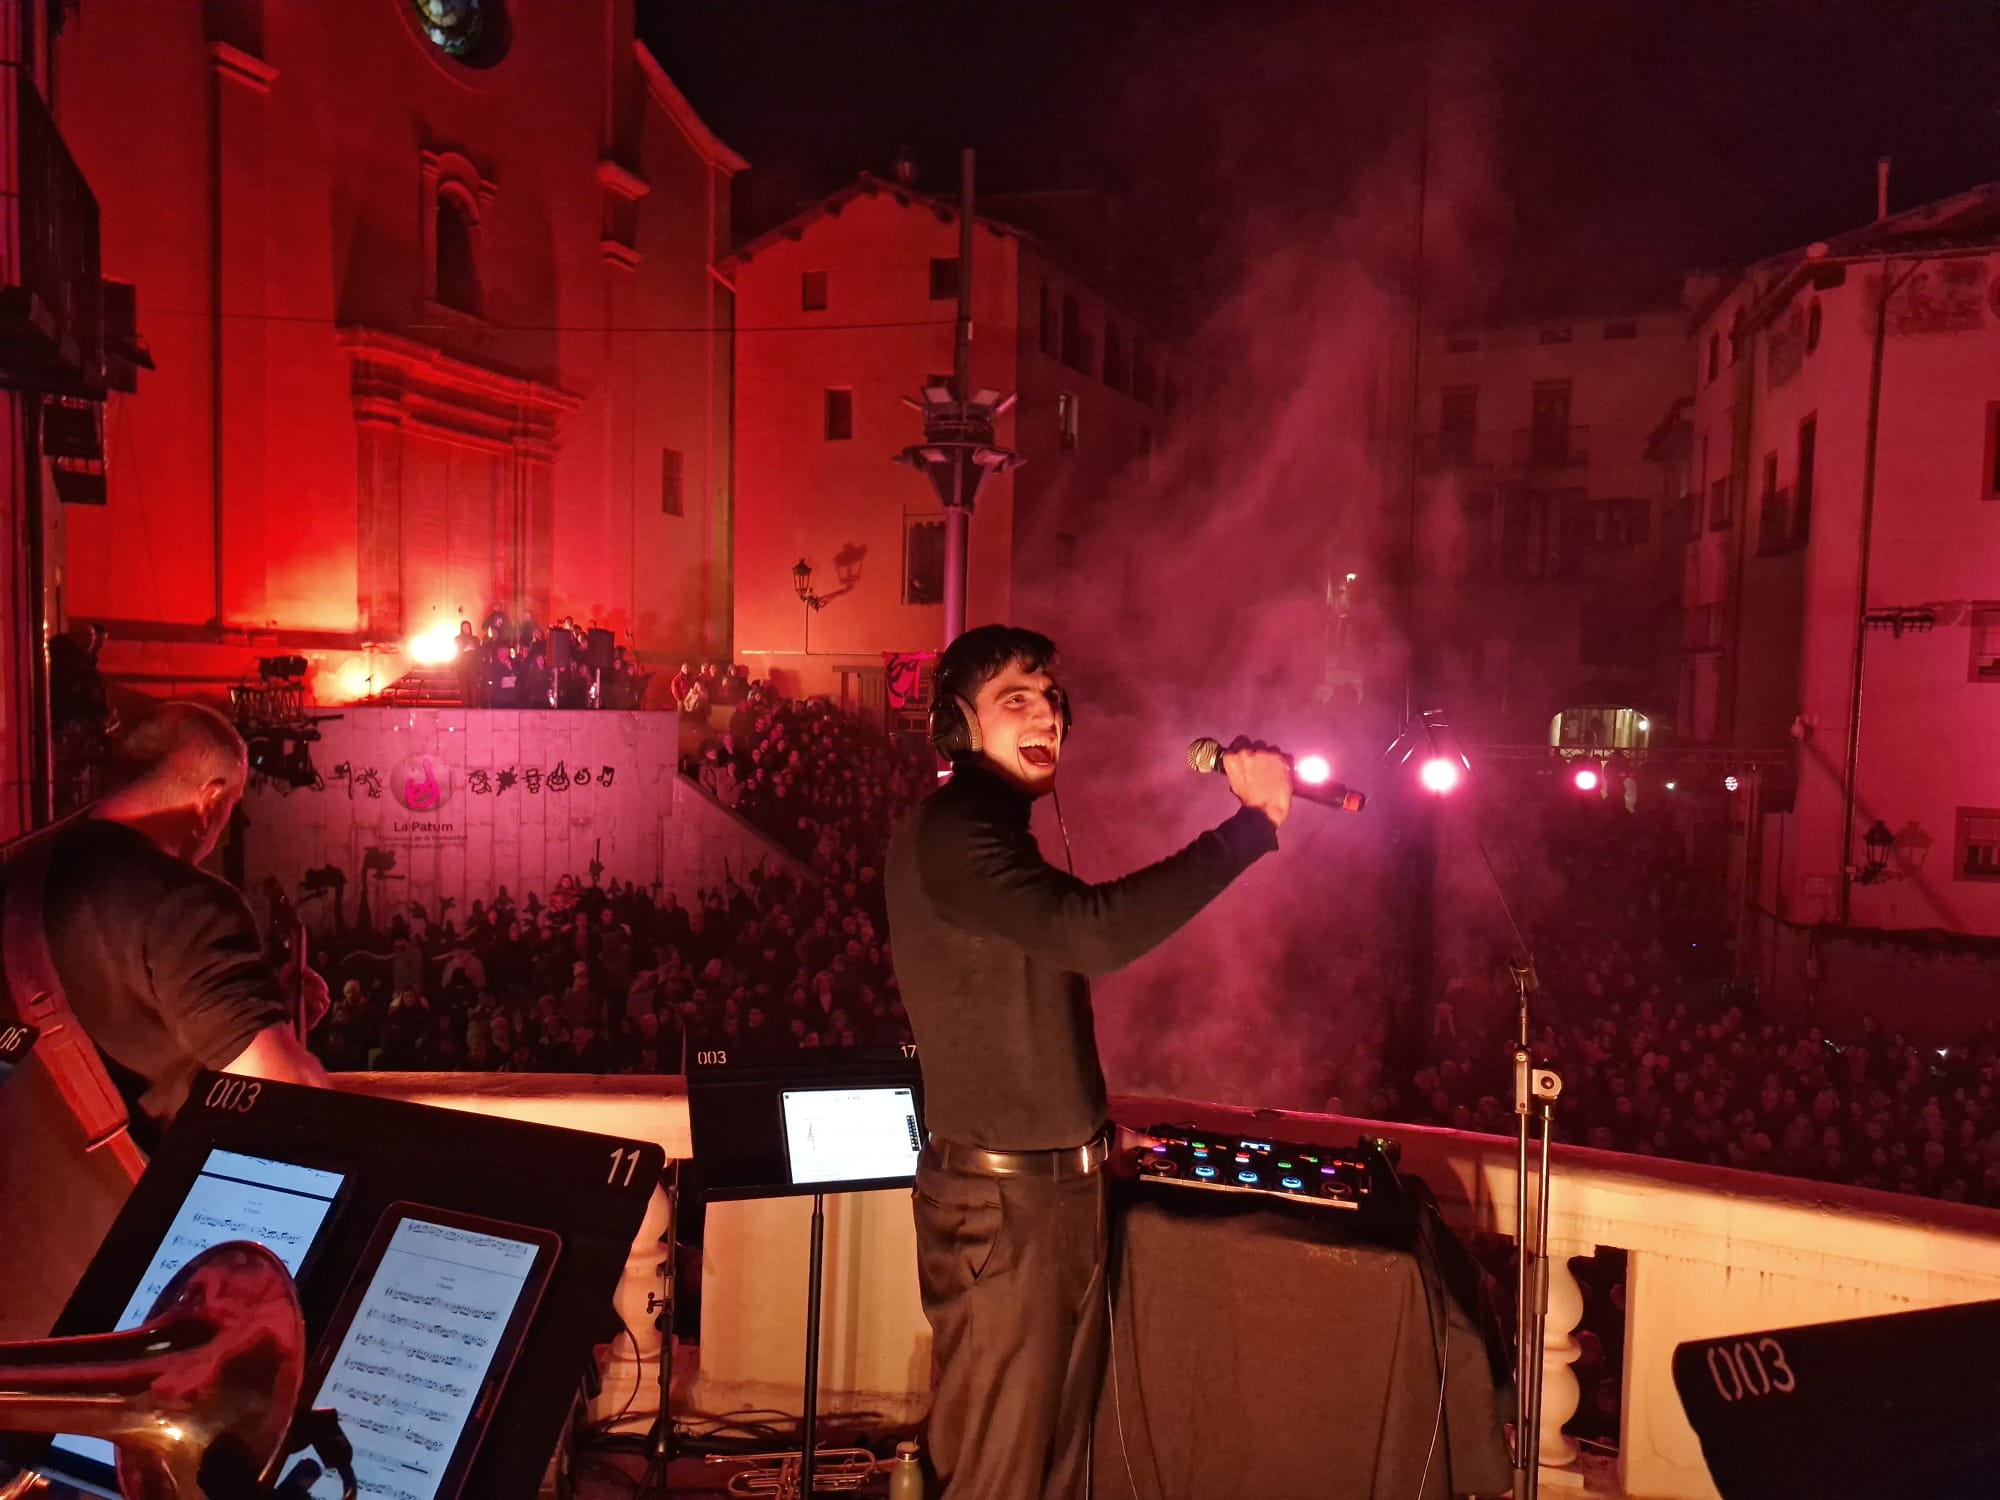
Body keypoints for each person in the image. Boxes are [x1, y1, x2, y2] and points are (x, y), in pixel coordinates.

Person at [886, 625, 1291, 1500]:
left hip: (1056, 1190)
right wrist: (1249, 828)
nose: (1047, 717)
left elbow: (1027, 1003)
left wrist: (1092, 1134)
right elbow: (1094, 935)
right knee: (999, 1473)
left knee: (1056, 1469)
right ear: (958, 728)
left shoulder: (998, 835)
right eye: (1016, 699)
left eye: (1052, 700)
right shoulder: (954, 832)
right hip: (1006, 1208)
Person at [0, 701, 332, 1339]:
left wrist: (262, 1007)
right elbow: (285, 1095)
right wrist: (290, 1052)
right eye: (229, 811)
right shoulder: (184, 902)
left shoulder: (18, 876)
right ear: (208, 802)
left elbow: (111, 1010)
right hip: (101, 1299)